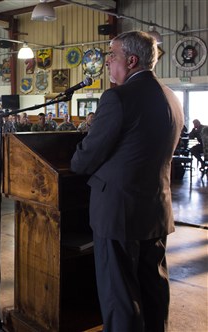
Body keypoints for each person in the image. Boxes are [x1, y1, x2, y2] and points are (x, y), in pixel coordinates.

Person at [70, 31, 183, 331]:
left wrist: (84, 146)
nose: (108, 62)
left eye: (112, 55)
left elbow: (84, 160)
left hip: (119, 212)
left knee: (120, 298)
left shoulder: (118, 97)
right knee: (153, 290)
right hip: (155, 209)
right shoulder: (171, 97)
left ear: (131, 61)